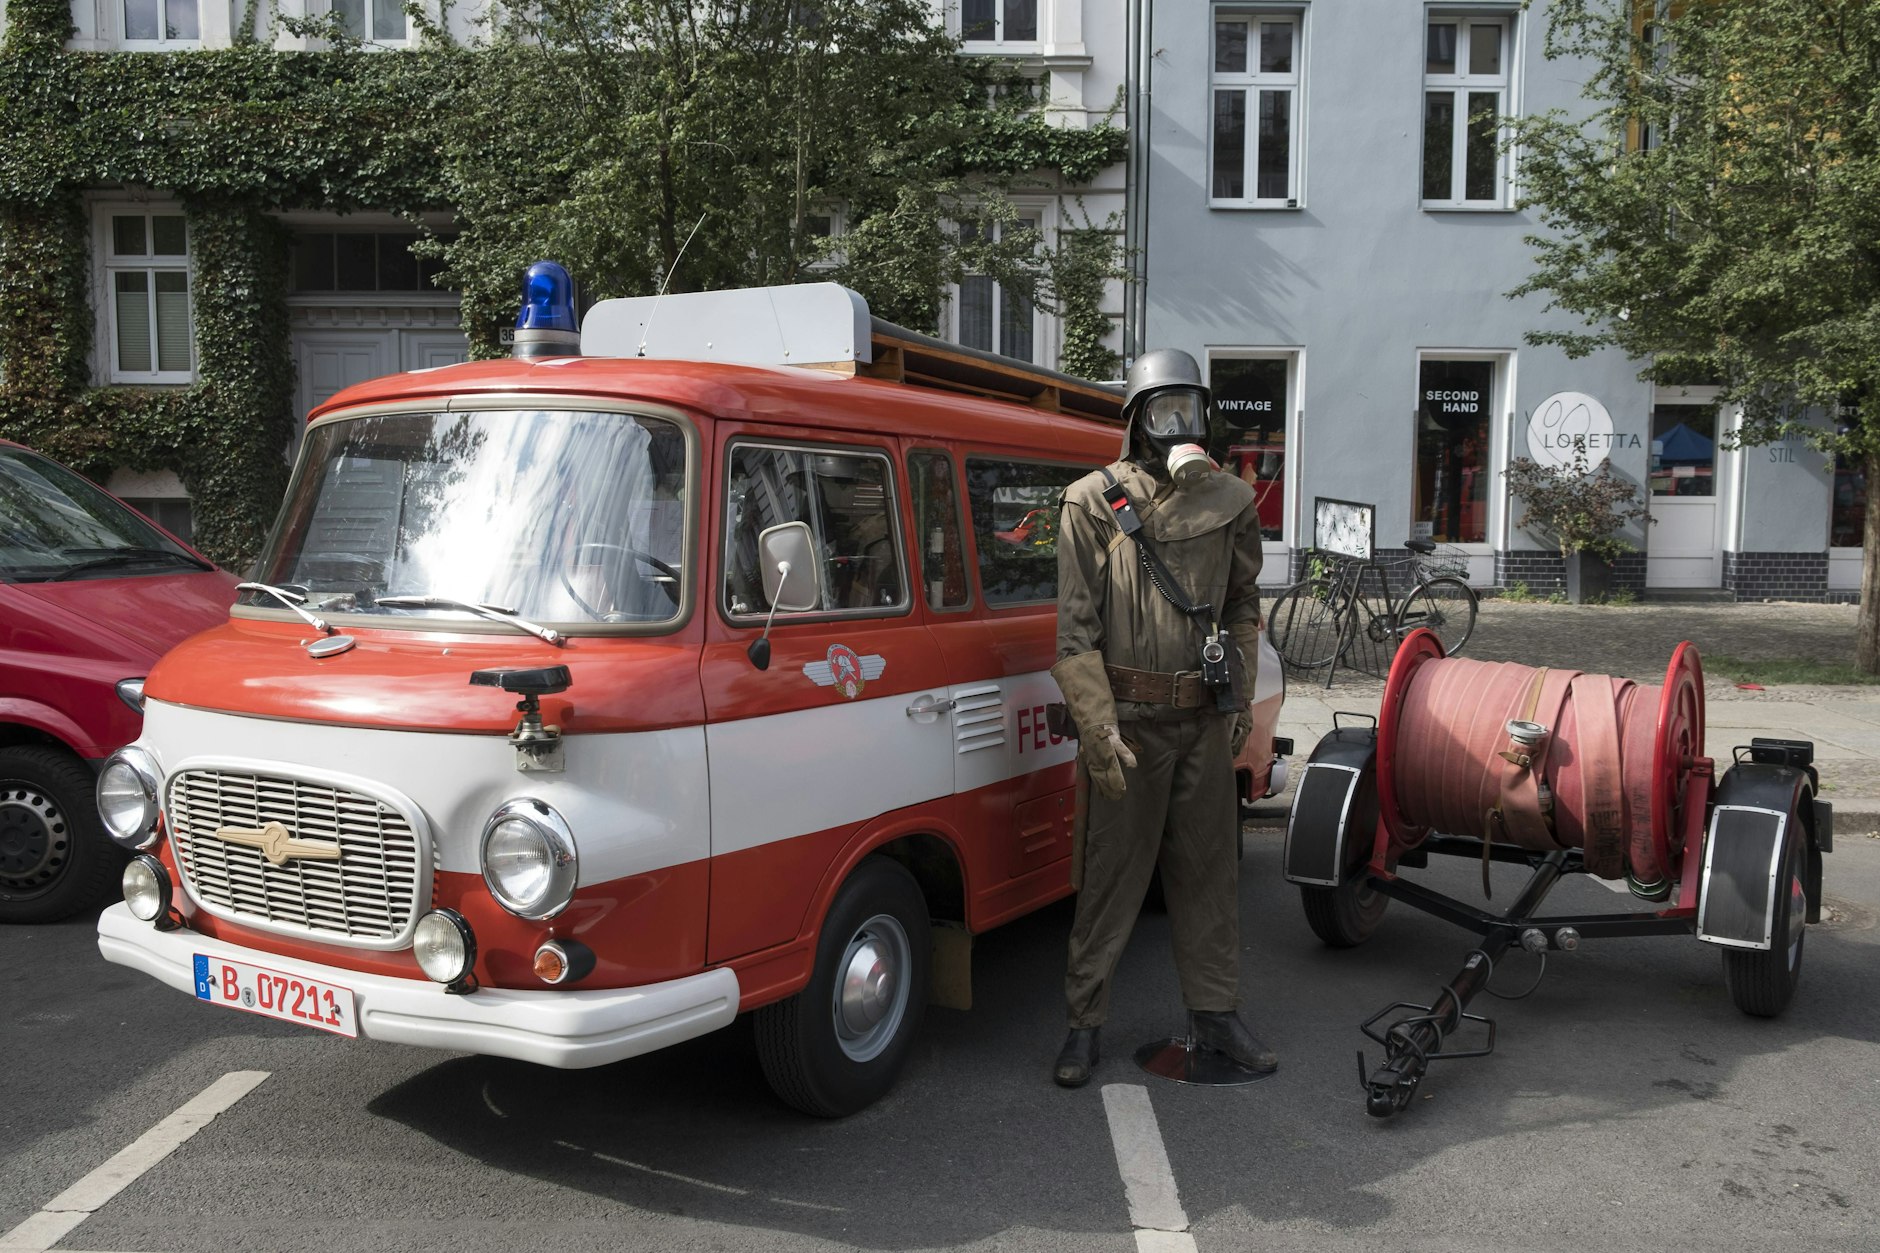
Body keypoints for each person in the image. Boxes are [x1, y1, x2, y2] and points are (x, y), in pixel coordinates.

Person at [1049, 348, 1276, 1087]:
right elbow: (1075, 633)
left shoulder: (1230, 501)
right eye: (1162, 410)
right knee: (1109, 877)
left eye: (1189, 409)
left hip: (1202, 720)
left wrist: (1238, 696)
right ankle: (1084, 1022)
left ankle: (1216, 1014)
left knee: (1210, 874)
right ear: (1136, 420)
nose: (1178, 424)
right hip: (1129, 726)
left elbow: (1241, 605)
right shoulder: (1092, 502)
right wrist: (1097, 726)